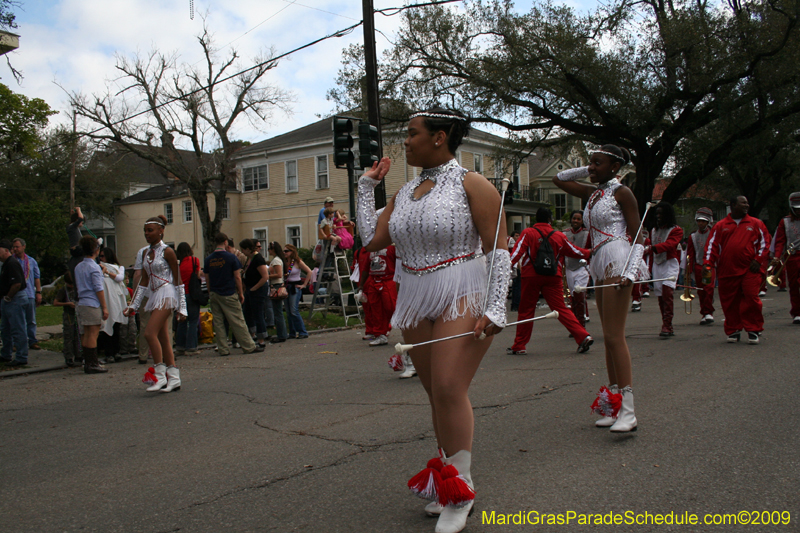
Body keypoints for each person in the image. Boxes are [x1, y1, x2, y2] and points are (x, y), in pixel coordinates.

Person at [357, 108, 512, 533]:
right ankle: (447, 479)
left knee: (448, 386)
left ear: (439, 137)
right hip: (414, 294)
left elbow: (498, 247)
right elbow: (370, 239)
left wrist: (496, 306)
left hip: (462, 288)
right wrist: (366, 186)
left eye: (411, 134)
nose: (405, 142)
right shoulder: (406, 192)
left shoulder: (473, 184)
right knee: (433, 393)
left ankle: (461, 490)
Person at [553, 144, 644, 433]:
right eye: (589, 163)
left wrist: (630, 272)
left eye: (597, 163)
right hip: (600, 260)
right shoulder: (593, 193)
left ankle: (629, 411)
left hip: (617, 258)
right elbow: (560, 178)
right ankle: (613, 405)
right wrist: (591, 169)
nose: (591, 167)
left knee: (616, 337)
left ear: (615, 167)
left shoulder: (622, 192)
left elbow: (639, 234)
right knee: (608, 337)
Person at [508, 208, 594, 355]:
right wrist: (590, 252)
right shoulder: (559, 236)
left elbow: (516, 254)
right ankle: (582, 336)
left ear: (536, 219)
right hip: (553, 276)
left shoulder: (528, 233)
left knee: (526, 311)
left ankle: (520, 345)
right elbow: (575, 251)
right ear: (550, 220)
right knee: (561, 308)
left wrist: (504, 270)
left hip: (531, 276)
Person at [124, 216, 187, 392]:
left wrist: (182, 308)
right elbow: (143, 281)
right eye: (145, 230)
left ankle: (160, 375)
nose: (147, 234)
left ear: (161, 231)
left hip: (167, 294)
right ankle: (174, 378)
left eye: (150, 230)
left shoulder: (168, 252)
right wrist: (133, 306)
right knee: (163, 338)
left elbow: (178, 279)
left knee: (149, 333)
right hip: (154, 296)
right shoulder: (145, 253)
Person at [703, 196, 770, 344]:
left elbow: (765, 243)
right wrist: (708, 264)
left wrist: (758, 260)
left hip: (749, 269)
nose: (747, 205)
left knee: (751, 298)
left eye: (747, 202)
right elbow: (711, 246)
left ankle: (753, 329)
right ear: (733, 205)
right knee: (729, 302)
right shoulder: (721, 225)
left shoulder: (756, 223)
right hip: (727, 270)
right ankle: (733, 330)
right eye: (743, 203)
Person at [204, 232, 263, 356]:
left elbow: (207, 278)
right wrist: (241, 292)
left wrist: (210, 292)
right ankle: (248, 346)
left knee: (219, 322)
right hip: (228, 292)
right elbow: (237, 277)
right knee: (237, 320)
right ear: (226, 242)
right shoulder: (231, 258)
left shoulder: (209, 259)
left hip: (214, 292)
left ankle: (223, 348)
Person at [645, 202, 683, 337]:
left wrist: (653, 248)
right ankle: (666, 323)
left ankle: (667, 325)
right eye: (657, 214)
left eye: (661, 214)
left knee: (667, 294)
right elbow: (649, 248)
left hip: (669, 263)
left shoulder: (676, 230)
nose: (658, 217)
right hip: (657, 264)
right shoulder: (653, 230)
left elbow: (670, 244)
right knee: (660, 296)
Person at [74, 236, 109, 374]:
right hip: (92, 303)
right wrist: (104, 307)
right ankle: (92, 363)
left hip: (82, 301)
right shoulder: (94, 267)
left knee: (86, 333)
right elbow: (98, 288)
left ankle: (88, 361)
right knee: (93, 334)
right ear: (96, 250)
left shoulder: (79, 266)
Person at [770, 191, 800, 324]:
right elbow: (780, 241)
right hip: (792, 257)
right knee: (793, 285)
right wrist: (777, 257)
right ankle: (797, 312)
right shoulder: (785, 222)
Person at [0, 239, 30, 367]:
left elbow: (17, 283)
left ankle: (22, 356)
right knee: (5, 328)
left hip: (15, 298)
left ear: (6, 251)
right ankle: (6, 353)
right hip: (8, 298)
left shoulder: (12, 263)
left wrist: (8, 297)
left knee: (18, 328)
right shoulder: (5, 264)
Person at [686, 207, 716, 325]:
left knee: (708, 289)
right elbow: (690, 254)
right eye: (698, 221)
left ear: (708, 222)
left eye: (703, 221)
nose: (700, 223)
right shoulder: (692, 236)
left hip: (709, 265)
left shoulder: (713, 234)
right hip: (698, 266)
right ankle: (704, 313)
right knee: (701, 291)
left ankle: (709, 312)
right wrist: (689, 269)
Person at [97, 247, 128, 363]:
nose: (101, 258)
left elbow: (119, 278)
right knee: (106, 326)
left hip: (115, 299)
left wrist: (107, 272)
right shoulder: (98, 267)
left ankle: (116, 351)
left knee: (117, 326)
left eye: (103, 256)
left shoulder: (118, 267)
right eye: (100, 256)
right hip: (106, 298)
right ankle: (108, 352)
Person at [563, 210, 592, 328]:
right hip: (569, 268)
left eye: (578, 219)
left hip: (582, 268)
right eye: (574, 218)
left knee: (579, 295)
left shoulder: (587, 234)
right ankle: (575, 326)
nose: (575, 221)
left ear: (582, 221)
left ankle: (581, 325)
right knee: (573, 299)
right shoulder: (564, 234)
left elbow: (592, 250)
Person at [239, 239, 270, 347]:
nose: (242, 251)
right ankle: (252, 335)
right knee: (247, 313)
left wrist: (254, 288)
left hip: (257, 289)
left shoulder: (258, 259)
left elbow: (265, 276)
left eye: (243, 249)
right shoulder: (249, 259)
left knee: (258, 313)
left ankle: (261, 339)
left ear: (248, 249)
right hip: (249, 288)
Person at [11, 238, 41, 350]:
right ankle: (16, 342)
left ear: (24, 247)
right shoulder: (12, 261)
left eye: (17, 247)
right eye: (14, 247)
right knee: (18, 320)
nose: (15, 249)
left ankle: (32, 340)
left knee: (31, 319)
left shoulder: (31, 261)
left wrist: (38, 292)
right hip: (16, 294)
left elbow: (37, 278)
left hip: (29, 293)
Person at [175, 242, 203, 356]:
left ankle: (180, 346)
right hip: (192, 293)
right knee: (192, 321)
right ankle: (191, 346)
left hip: (180, 294)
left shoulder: (177, 265)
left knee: (182, 321)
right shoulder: (194, 260)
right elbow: (197, 275)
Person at [282, 244, 312, 340]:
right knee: (288, 311)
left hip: (295, 287)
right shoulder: (284, 262)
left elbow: (309, 271)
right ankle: (292, 332)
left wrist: (304, 284)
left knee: (294, 310)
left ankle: (302, 331)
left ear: (292, 252)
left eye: (286, 251)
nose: (284, 253)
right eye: (284, 251)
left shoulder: (297, 262)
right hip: (286, 286)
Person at [54, 271, 81, 367]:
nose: (71, 286)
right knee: (69, 336)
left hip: (78, 314)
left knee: (78, 335)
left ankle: (79, 355)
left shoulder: (78, 288)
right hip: (68, 315)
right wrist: (67, 304)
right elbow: (55, 302)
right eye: (70, 284)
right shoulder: (63, 290)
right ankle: (69, 356)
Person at [266, 241, 289, 344]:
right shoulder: (278, 260)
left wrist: (267, 276)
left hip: (276, 285)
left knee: (277, 312)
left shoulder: (276, 261)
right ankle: (282, 333)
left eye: (269, 249)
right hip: (277, 285)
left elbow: (279, 274)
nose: (268, 251)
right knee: (278, 311)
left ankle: (282, 334)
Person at [508, 231, 522, 312]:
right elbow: (516, 256)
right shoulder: (512, 242)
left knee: (516, 286)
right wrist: (519, 267)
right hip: (515, 267)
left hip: (514, 266)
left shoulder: (514, 243)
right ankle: (516, 305)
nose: (518, 237)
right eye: (516, 235)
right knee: (517, 286)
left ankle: (515, 304)